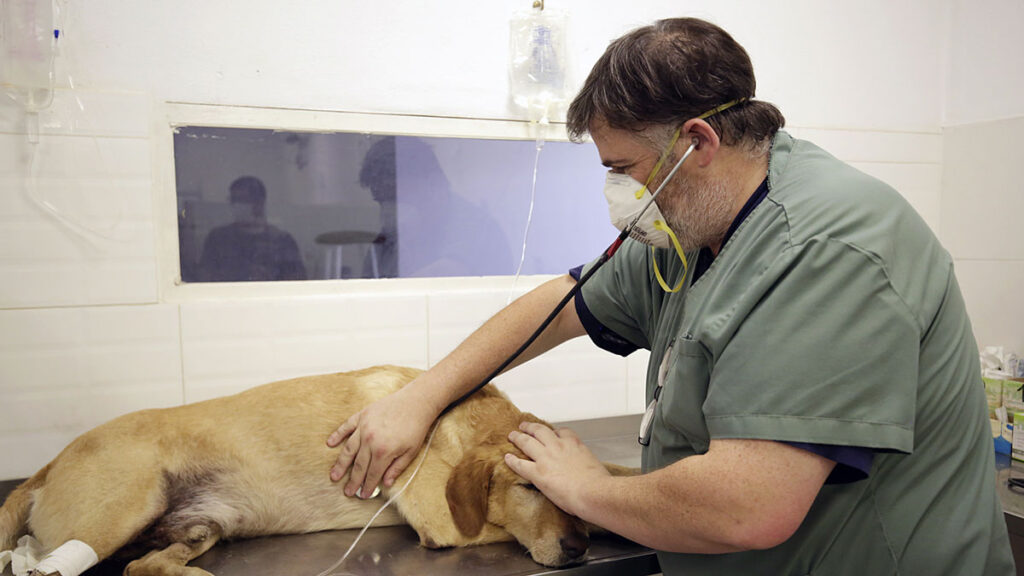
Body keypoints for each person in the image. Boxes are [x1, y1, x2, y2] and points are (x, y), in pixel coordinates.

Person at [326, 17, 1014, 574]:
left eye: (623, 169)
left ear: (698, 141)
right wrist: (421, 395)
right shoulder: (694, 229)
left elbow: (749, 508)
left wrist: (584, 488)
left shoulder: (825, 248)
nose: (619, 195)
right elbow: (565, 301)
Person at [197, 176, 307, 282]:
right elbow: (205, 278)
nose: (236, 205)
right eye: (233, 199)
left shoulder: (282, 241)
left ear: (259, 203)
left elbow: (296, 283)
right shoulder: (218, 238)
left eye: (242, 200)